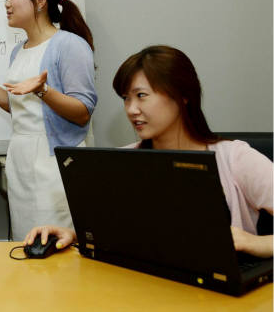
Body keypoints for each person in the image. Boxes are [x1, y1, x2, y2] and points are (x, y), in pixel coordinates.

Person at [25, 45, 273, 258]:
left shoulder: (235, 159)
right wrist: (73, 234)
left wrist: (254, 242)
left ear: (182, 95)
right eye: (126, 98)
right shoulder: (123, 161)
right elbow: (123, 232)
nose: (132, 109)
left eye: (141, 96)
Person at [0, 0, 96, 240]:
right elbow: (16, 106)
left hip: (54, 163)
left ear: (40, 1)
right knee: (25, 241)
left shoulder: (69, 45)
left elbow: (82, 113)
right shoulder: (17, 51)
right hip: (20, 158)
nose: (7, 3)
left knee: (54, 243)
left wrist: (43, 90)